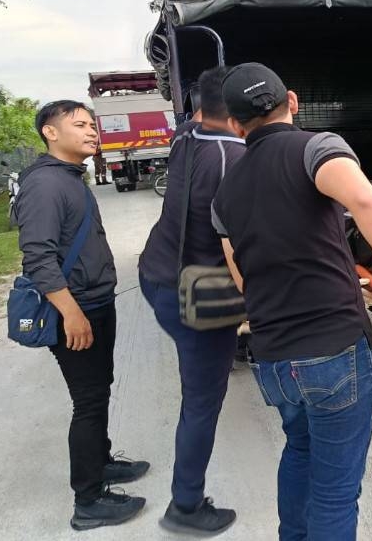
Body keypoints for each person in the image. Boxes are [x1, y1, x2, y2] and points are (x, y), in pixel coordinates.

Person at [211, 62, 372, 541]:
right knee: (335, 491)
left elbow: (247, 276)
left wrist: (365, 283)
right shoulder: (317, 148)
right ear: (292, 100)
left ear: (234, 124)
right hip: (334, 351)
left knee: (300, 452)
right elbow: (368, 203)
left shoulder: (224, 194)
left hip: (273, 356)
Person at [14, 100, 149, 531]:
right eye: (80, 125)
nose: (93, 131)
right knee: (88, 401)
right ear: (50, 133)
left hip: (93, 302)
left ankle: (101, 461)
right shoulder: (46, 186)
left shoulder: (70, 177)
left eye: (93, 124)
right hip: (76, 309)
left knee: (98, 389)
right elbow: (38, 257)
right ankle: (88, 501)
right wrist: (71, 314)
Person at [138, 66, 246, 536]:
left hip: (156, 274)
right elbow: (242, 242)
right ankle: (185, 506)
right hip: (198, 295)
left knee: (198, 392)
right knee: (201, 402)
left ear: (199, 108)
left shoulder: (186, 137)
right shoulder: (235, 158)